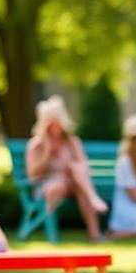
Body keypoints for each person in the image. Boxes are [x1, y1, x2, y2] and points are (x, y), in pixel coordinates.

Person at [24, 95, 109, 241]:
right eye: (51, 124)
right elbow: (32, 174)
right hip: (48, 185)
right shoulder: (36, 145)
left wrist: (70, 169)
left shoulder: (72, 142)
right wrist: (47, 153)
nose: (56, 128)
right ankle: (92, 198)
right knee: (61, 186)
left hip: (75, 183)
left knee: (77, 169)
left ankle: (94, 233)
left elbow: (84, 167)